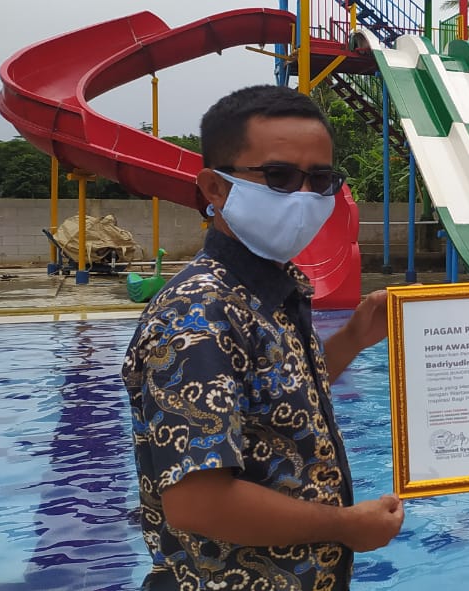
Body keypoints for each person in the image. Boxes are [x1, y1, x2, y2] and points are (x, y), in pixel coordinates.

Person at [122, 85, 404, 590]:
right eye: (279, 176)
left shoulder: (271, 290)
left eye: (320, 179)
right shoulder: (198, 314)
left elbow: (278, 401)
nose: (304, 197)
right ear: (215, 188)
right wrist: (344, 526)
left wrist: (352, 338)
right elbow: (197, 502)